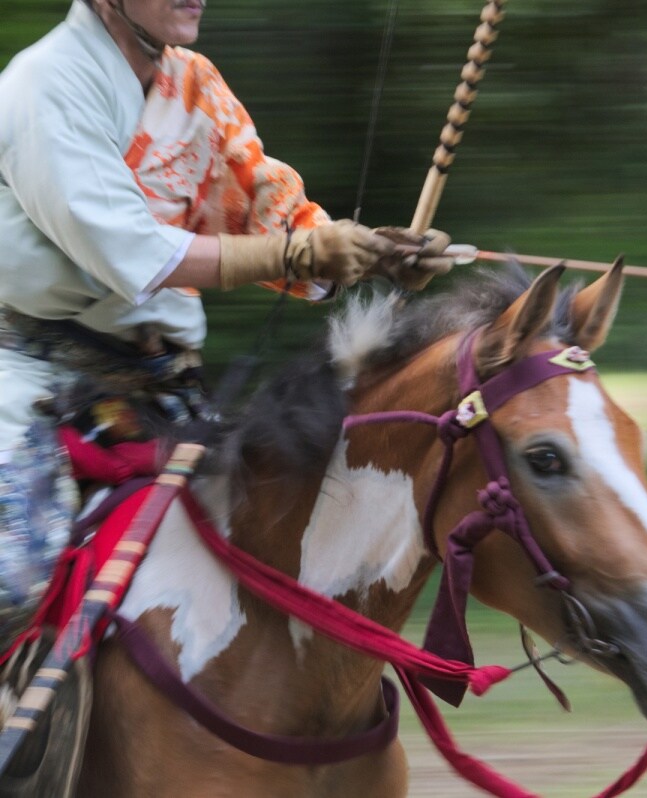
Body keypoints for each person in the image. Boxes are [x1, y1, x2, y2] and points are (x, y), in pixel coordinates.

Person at [0, 0, 453, 664]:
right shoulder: (42, 87)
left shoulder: (196, 82)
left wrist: (374, 254)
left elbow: (270, 218)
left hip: (164, 396)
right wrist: (294, 255)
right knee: (13, 577)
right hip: (35, 386)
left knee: (283, 552)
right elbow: (135, 255)